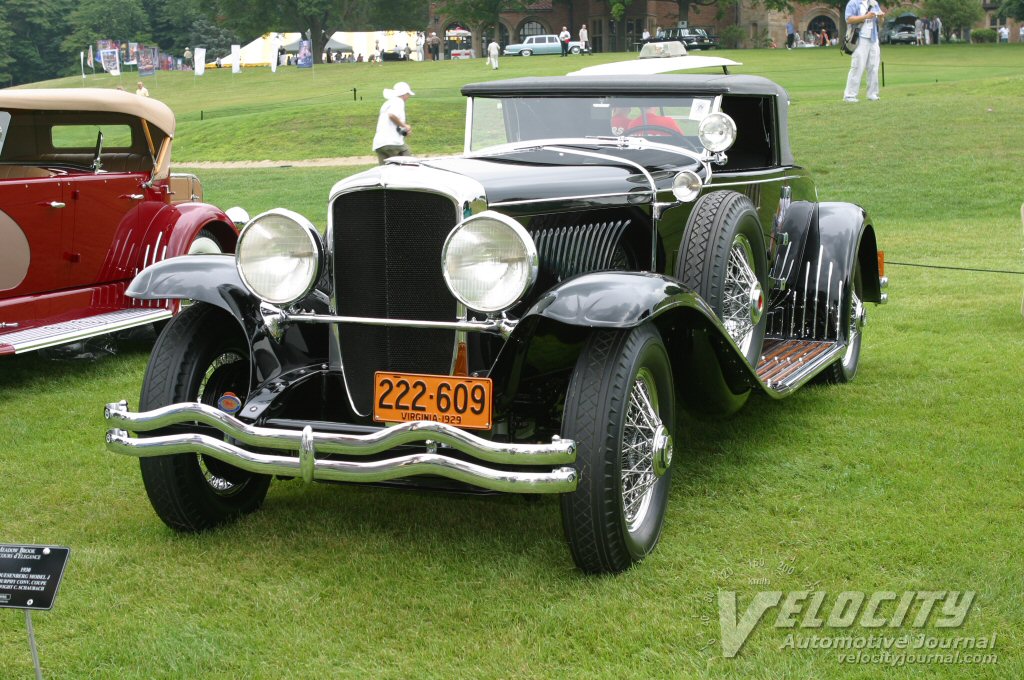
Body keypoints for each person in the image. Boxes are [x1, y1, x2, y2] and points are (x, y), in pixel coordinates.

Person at [843, 0, 884, 102]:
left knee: (874, 67)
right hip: (859, 38)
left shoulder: (874, 3)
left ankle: (872, 93)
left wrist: (881, 17)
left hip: (873, 38)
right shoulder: (853, 3)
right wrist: (865, 16)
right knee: (857, 67)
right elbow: (848, 19)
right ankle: (850, 95)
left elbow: (880, 21)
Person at [372, 82, 415, 164]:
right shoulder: (398, 101)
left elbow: (392, 125)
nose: (408, 97)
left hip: (379, 144)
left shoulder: (387, 103)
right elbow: (392, 115)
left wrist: (404, 131)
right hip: (392, 143)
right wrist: (405, 126)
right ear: (404, 94)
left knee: (386, 172)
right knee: (411, 164)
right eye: (408, 94)